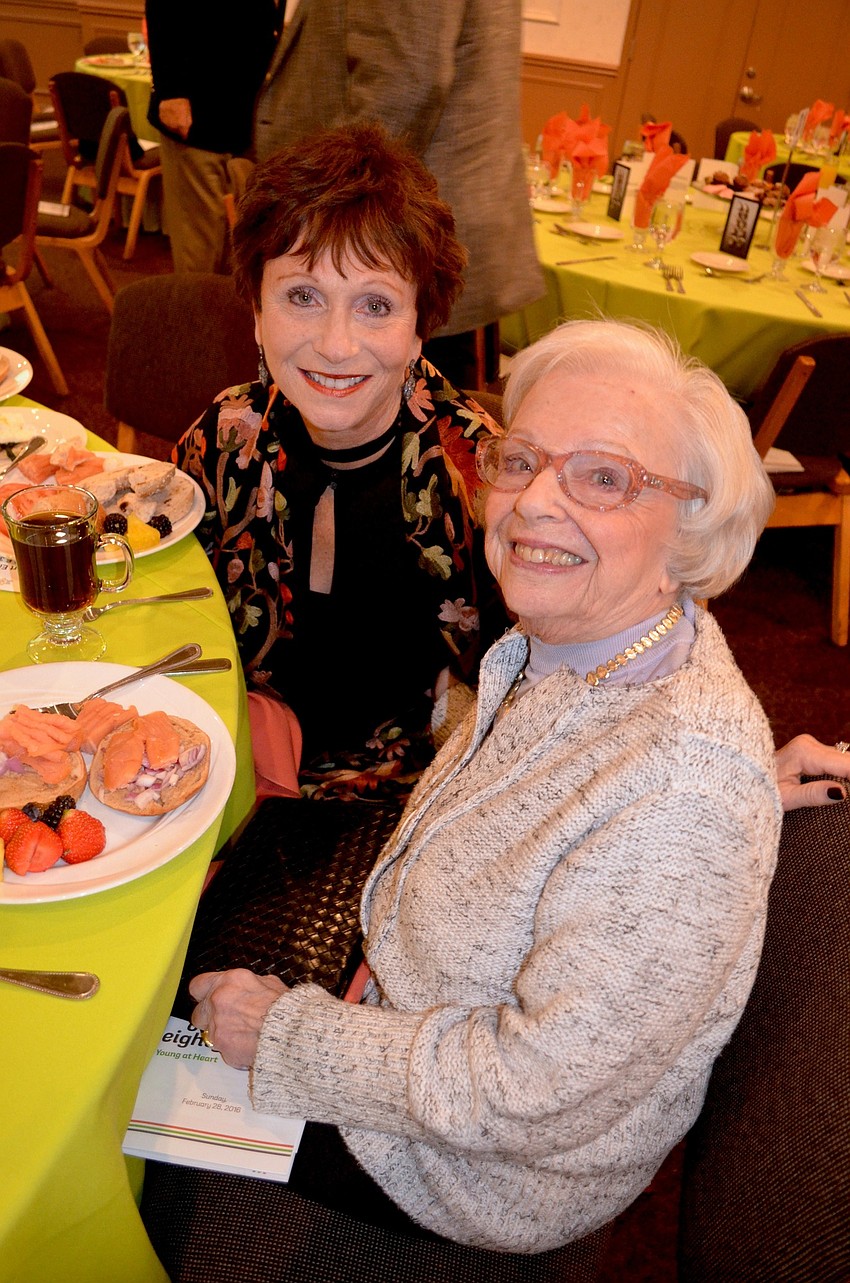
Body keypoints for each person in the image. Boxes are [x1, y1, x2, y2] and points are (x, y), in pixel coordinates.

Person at [188, 318, 787, 1259]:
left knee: (82, 1090)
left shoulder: (684, 795)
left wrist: (290, 1038)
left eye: (603, 477)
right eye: (523, 460)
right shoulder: (570, 646)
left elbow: (532, 1090)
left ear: (691, 529)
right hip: (398, 1007)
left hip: (464, 1169)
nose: (536, 502)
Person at [173, 123, 503, 799]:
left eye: (375, 305)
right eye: (302, 296)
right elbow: (170, 619)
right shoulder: (221, 441)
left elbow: (567, 677)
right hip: (231, 779)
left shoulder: (484, 477)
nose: (335, 344)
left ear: (420, 327)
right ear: (257, 310)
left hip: (414, 810)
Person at [252, 0, 544, 388]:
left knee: (397, 424)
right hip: (425, 224)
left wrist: (316, 216)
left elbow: (403, 87)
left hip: (384, 235)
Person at [145, 0, 279, 273]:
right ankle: (193, 314)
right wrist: (171, 91)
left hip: (245, 119)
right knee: (199, 254)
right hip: (196, 117)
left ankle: (216, 312)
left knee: (238, 250)